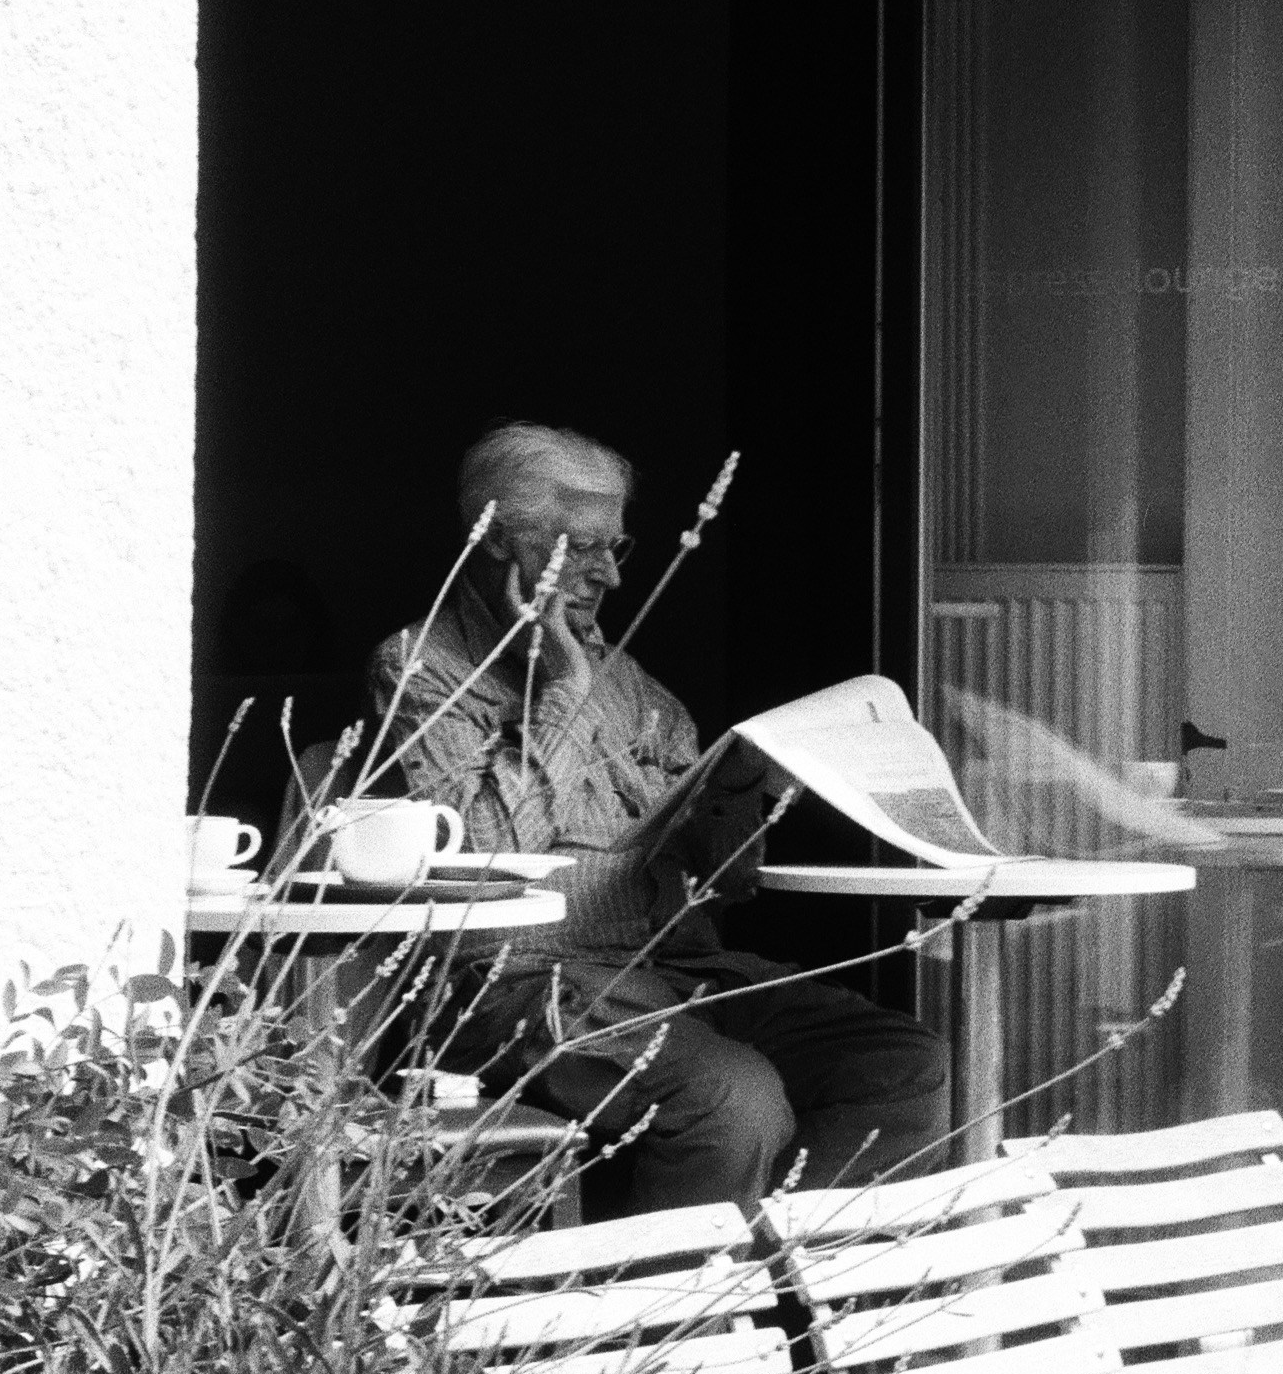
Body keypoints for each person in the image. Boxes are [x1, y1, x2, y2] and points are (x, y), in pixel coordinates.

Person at [367, 420, 949, 1212]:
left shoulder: (630, 680)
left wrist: (759, 789)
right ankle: (678, 1324)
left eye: (618, 547)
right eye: (581, 547)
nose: (607, 574)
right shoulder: (421, 665)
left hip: (670, 970)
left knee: (897, 1062)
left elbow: (724, 881)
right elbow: (496, 852)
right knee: (731, 1098)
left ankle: (781, 1294)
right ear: (502, 543)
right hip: (512, 984)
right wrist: (565, 693)